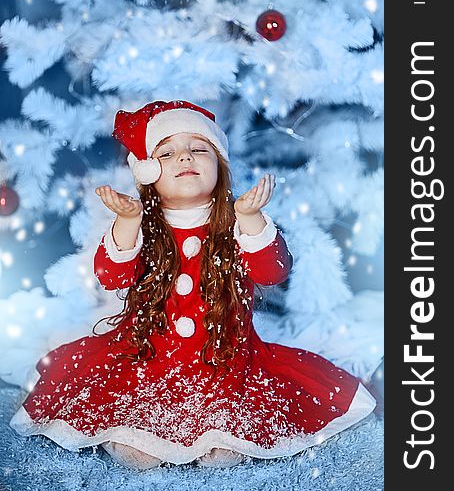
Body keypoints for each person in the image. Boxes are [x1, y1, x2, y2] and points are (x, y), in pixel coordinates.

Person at [9, 99, 376, 470]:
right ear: (149, 172)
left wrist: (251, 219)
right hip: (148, 358)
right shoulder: (142, 223)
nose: (186, 158)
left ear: (220, 167)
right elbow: (111, 276)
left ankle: (217, 433)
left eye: (200, 149)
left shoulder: (237, 219)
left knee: (227, 446)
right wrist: (127, 221)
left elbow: (273, 272)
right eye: (168, 153)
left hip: (227, 362)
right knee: (138, 446)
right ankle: (139, 433)